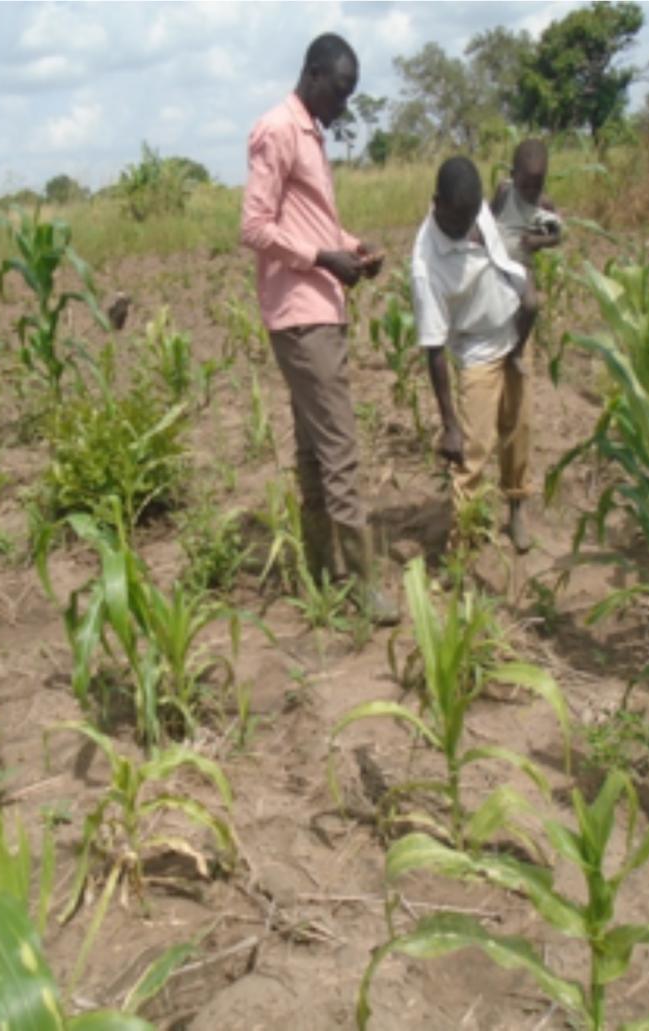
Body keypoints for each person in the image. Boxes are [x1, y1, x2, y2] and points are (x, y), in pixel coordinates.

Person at [240, 32, 398, 624]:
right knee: (339, 449)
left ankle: (322, 567)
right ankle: (361, 583)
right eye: (339, 91)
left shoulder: (308, 132)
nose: (343, 105)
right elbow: (255, 227)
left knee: (314, 447)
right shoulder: (278, 130)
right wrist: (322, 259)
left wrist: (350, 248)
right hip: (303, 316)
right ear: (311, 75)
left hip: (317, 310)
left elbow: (309, 223)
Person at [412, 156, 539, 553]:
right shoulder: (426, 264)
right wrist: (448, 424)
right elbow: (434, 348)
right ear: (437, 203)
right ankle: (463, 541)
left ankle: (516, 509)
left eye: (471, 217)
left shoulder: (472, 205)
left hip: (515, 329)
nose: (466, 227)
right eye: (457, 221)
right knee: (472, 450)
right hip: (478, 348)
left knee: (518, 429)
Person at [491, 138, 563, 268]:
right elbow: (489, 219)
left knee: (527, 279)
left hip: (520, 265)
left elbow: (557, 236)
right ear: (513, 175)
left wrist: (539, 241)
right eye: (525, 186)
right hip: (494, 258)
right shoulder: (504, 191)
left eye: (537, 186)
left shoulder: (544, 204)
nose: (531, 191)